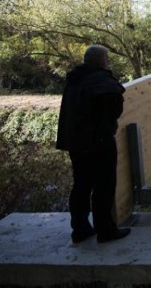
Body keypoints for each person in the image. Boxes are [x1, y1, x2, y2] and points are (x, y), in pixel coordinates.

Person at [57, 45, 131, 244]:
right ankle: (105, 230)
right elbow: (115, 110)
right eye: (106, 57)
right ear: (101, 61)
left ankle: (80, 229)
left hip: (77, 144)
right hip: (100, 143)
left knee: (81, 185)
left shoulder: (73, 81)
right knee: (104, 186)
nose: (108, 61)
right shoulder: (103, 82)